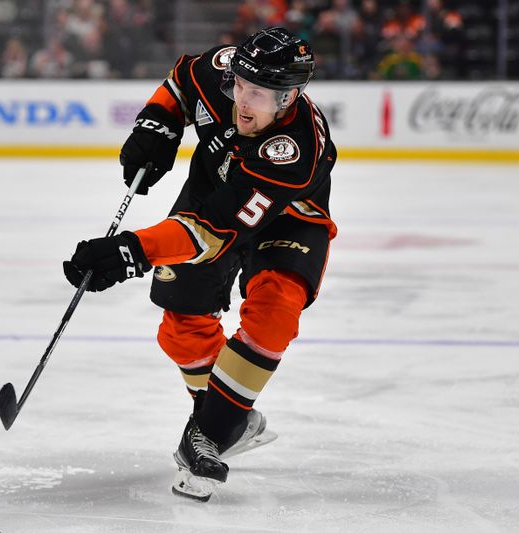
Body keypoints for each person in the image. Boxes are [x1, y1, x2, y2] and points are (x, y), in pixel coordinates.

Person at [63, 27, 337, 501]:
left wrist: (133, 251)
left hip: (288, 222)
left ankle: (208, 433)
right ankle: (226, 417)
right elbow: (180, 83)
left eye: (259, 94)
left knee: (274, 312)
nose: (242, 102)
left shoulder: (293, 151)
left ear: (290, 96)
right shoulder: (223, 70)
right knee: (181, 323)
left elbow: (213, 232)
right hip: (211, 198)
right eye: (239, 87)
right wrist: (157, 125)